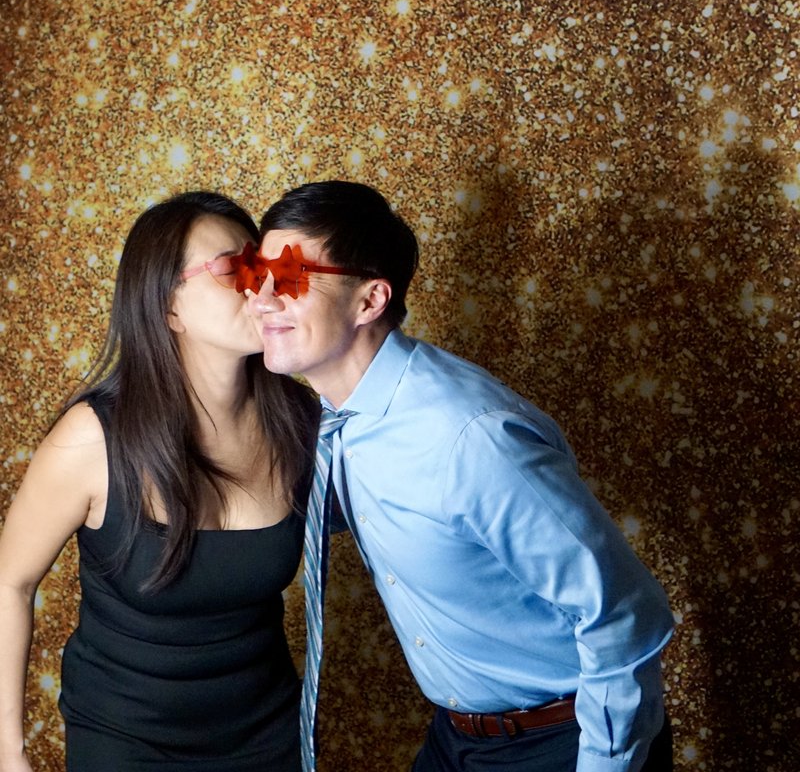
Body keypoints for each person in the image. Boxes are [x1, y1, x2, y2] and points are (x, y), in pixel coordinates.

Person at [245, 180, 676, 772]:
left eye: (290, 277)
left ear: (369, 301)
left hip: (563, 741)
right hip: (457, 738)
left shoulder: (468, 438)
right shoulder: (335, 422)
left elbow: (625, 613)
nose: (263, 300)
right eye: (254, 275)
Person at [0, 191, 319, 772]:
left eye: (262, 263)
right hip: (124, 740)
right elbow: (9, 584)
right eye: (230, 268)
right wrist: (7, 752)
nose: (259, 282)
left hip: (268, 734)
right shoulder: (92, 439)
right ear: (167, 308)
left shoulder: (302, 421)